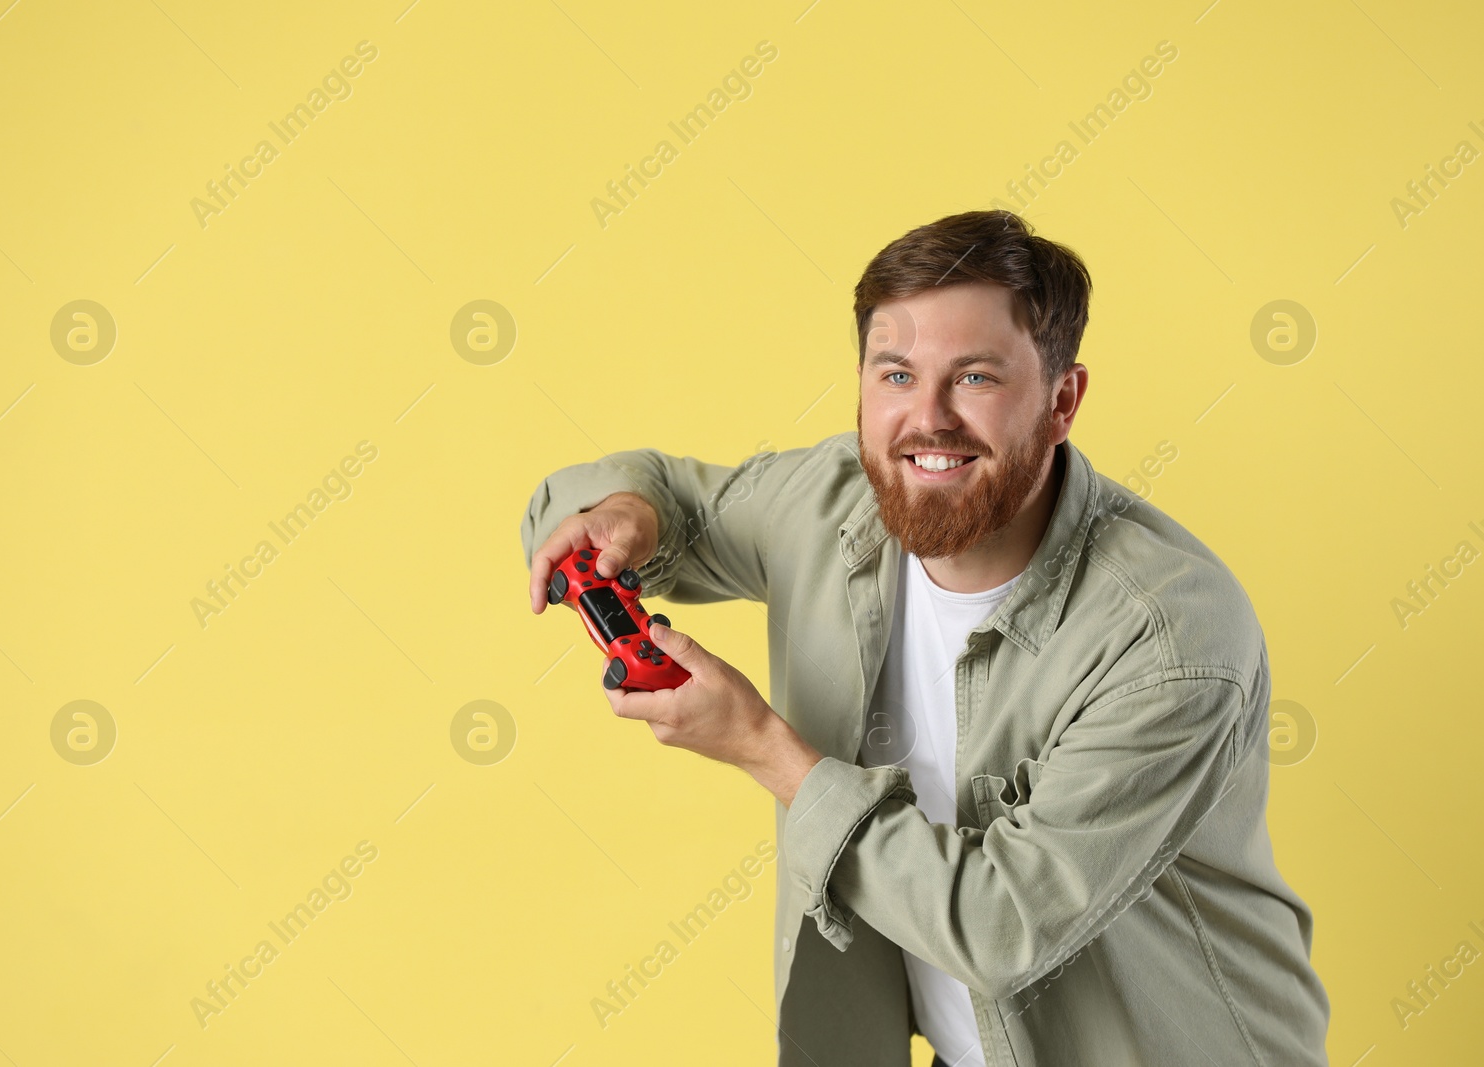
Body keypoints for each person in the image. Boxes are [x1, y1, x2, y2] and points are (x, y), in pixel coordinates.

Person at [521, 209, 1330, 1065]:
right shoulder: (832, 500)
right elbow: (626, 499)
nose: (927, 419)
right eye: (896, 374)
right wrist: (628, 516)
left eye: (975, 378)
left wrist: (765, 748)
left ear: (1063, 401)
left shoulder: (1167, 634)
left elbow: (1002, 927)